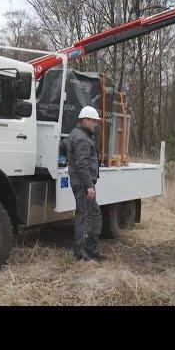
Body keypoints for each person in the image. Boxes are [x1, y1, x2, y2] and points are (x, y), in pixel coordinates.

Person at [67, 106, 105, 262]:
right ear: (85, 120)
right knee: (86, 216)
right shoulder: (82, 138)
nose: (95, 124)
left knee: (92, 214)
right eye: (93, 121)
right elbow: (82, 165)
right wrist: (89, 186)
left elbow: (66, 145)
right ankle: (81, 253)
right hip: (83, 183)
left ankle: (89, 250)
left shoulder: (79, 135)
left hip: (82, 182)